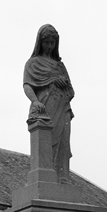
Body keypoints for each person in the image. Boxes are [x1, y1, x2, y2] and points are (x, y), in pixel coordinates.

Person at [23, 24, 74, 182]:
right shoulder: (32, 63)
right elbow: (27, 85)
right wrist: (35, 101)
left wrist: (62, 83)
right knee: (46, 142)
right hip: (45, 106)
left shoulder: (60, 66)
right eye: (47, 42)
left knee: (63, 144)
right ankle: (47, 177)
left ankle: (62, 177)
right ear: (40, 42)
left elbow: (71, 90)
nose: (50, 46)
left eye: (53, 43)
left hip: (63, 107)